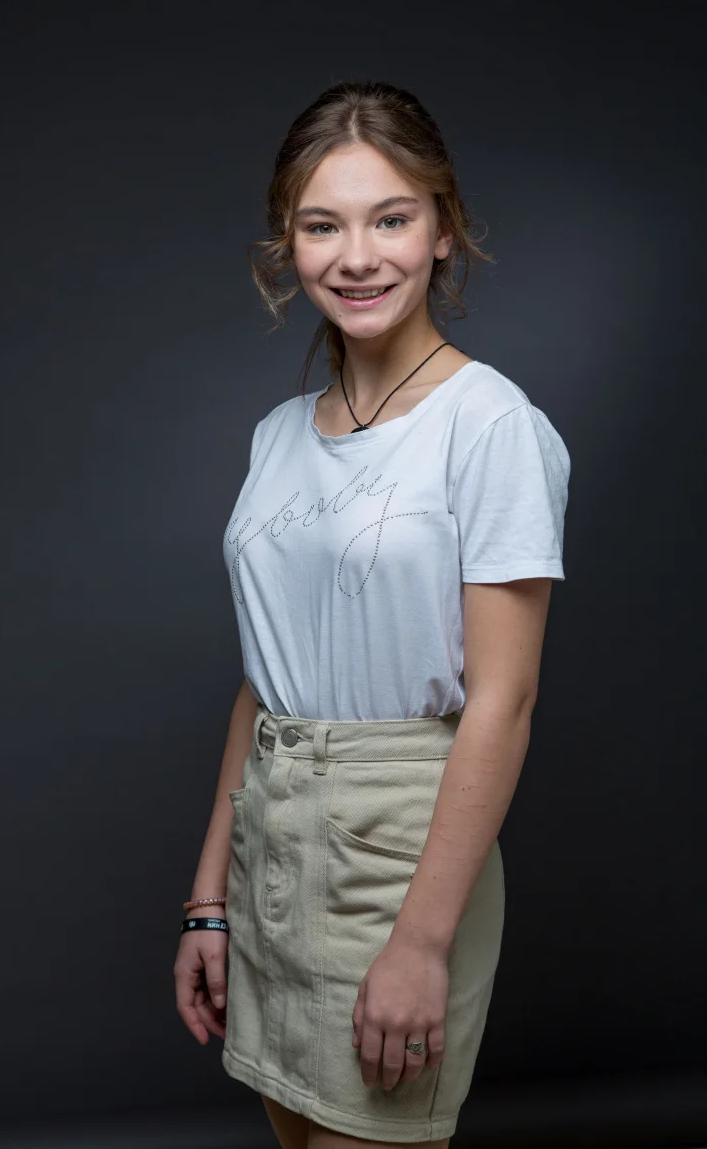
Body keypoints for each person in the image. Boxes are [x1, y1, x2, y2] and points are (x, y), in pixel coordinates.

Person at [173, 80, 571, 1149]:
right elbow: (265, 680)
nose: (356, 257)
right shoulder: (276, 435)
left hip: (397, 851)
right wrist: (208, 898)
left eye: (390, 219)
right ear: (287, 244)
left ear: (443, 229)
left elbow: (502, 701)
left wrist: (422, 942)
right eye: (322, 226)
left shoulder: (489, 425)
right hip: (271, 832)